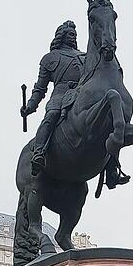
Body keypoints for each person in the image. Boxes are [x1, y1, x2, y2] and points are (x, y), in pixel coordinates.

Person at [21, 21, 85, 175]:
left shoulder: (84, 56)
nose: (73, 37)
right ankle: (39, 152)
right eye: (70, 34)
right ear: (62, 36)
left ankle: (111, 165)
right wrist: (30, 106)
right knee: (52, 115)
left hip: (81, 93)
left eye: (75, 35)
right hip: (60, 94)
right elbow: (40, 88)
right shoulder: (50, 58)